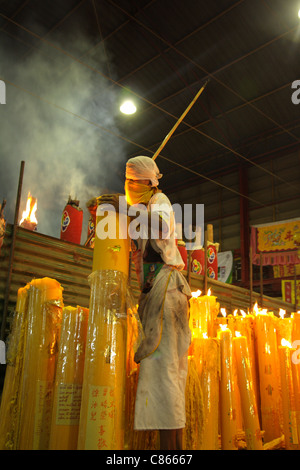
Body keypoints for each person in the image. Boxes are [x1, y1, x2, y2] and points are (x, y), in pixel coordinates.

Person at [100, 156, 191, 450]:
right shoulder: (143, 210)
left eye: (131, 183)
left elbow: (163, 228)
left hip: (167, 292)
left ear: (148, 183)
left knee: (164, 377)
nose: (128, 188)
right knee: (167, 379)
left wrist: (124, 208)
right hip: (162, 293)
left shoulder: (159, 201)